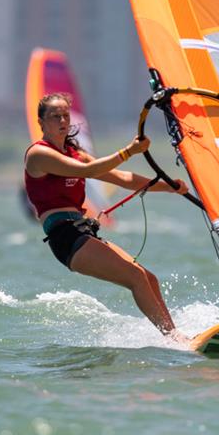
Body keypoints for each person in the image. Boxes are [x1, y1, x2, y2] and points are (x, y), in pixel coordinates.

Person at [24, 92, 190, 342]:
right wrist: (129, 151)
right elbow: (87, 170)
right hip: (65, 237)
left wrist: (167, 186)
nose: (62, 121)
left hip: (83, 232)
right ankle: (176, 338)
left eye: (65, 115)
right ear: (42, 123)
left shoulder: (74, 152)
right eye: (54, 116)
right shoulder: (39, 155)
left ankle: (173, 335)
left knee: (148, 278)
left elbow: (122, 178)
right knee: (135, 278)